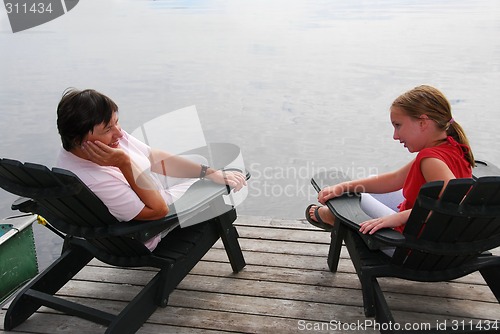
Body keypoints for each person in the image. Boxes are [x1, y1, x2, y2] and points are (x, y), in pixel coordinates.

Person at [56, 88, 247, 251]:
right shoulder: (94, 179)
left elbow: (154, 158)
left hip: (150, 186)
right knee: (211, 188)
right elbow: (158, 210)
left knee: (202, 164)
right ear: (77, 139)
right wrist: (123, 162)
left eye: (116, 122)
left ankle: (208, 177)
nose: (119, 133)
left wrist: (210, 172)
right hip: (148, 229)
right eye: (107, 129)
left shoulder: (97, 145)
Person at [306, 85, 474, 236]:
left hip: (406, 243)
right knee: (366, 184)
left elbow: (450, 204)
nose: (395, 135)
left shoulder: (430, 160)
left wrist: (396, 219)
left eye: (398, 125)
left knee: (354, 200)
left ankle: (333, 217)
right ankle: (337, 213)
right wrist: (344, 186)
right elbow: (395, 179)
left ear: (423, 122)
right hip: (433, 234)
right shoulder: (454, 147)